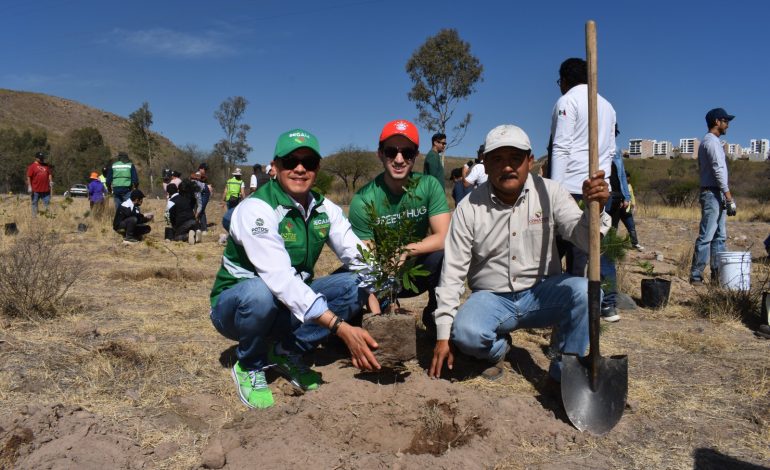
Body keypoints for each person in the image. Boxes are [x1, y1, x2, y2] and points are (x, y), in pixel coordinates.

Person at [209, 128, 381, 409]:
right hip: (235, 310)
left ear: (317, 169)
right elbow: (279, 280)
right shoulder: (257, 209)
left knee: (355, 284)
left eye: (308, 162)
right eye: (290, 162)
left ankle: (286, 351)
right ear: (275, 168)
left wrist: (374, 291)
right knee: (259, 292)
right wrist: (340, 327)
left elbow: (357, 255)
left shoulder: (326, 210)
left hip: (284, 307)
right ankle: (249, 364)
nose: (300, 169)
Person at [429, 124, 611, 386]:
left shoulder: (551, 192)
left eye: (516, 159)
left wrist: (596, 208)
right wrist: (443, 335)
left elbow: (583, 238)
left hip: (542, 293)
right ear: (486, 163)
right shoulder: (468, 207)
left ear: (530, 161)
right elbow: (453, 273)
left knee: (588, 293)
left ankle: (565, 371)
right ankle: (499, 349)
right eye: (498, 160)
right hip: (491, 297)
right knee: (465, 333)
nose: (507, 167)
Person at [348, 119, 451, 333]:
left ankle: (437, 321)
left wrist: (404, 250)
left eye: (407, 152)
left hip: (415, 272)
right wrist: (385, 294)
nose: (399, 159)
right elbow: (366, 256)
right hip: (380, 273)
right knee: (345, 281)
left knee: (445, 256)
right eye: (391, 151)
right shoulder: (363, 199)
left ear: (416, 155)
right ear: (380, 154)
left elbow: (443, 236)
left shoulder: (429, 186)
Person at [548, 57, 619, 321]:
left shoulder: (567, 101)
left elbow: (561, 146)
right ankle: (597, 306)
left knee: (558, 253)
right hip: (599, 189)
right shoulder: (608, 106)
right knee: (589, 251)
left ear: (564, 80)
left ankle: (566, 307)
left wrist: (553, 190)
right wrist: (607, 187)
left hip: (571, 188)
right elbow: (610, 152)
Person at [690, 108, 736, 285]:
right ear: (717, 122)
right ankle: (696, 275)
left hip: (716, 193)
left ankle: (717, 276)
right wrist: (729, 197)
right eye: (725, 121)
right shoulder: (711, 142)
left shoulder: (713, 142)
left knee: (719, 236)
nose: (728, 125)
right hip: (713, 193)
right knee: (708, 236)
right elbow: (718, 170)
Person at [610, 169, 643, 251]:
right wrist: (620, 201)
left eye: (628, 178)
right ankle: (610, 244)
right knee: (613, 227)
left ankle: (635, 243)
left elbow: (631, 196)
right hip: (616, 209)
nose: (627, 179)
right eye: (626, 177)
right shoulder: (616, 185)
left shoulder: (629, 186)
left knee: (631, 227)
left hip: (626, 210)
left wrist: (634, 205)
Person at [169, 179, 201, 244]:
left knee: (175, 237)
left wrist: (173, 227)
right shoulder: (191, 199)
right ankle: (195, 232)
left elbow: (170, 216)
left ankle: (187, 236)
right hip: (194, 221)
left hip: (183, 223)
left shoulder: (173, 200)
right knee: (190, 230)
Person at [26, 151, 53, 216]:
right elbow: (29, 176)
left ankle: (48, 217)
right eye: (40, 158)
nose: (42, 159)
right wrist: (29, 186)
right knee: (34, 204)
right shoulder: (32, 166)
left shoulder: (46, 166)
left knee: (47, 204)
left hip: (45, 190)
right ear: (36, 158)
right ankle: (34, 218)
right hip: (35, 190)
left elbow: (49, 174)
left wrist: (50, 181)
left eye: (42, 158)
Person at [196, 163, 212, 232]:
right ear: (200, 168)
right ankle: (202, 227)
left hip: (204, 194)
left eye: (206, 169)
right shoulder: (197, 175)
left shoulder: (203, 176)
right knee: (201, 210)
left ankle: (203, 228)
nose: (205, 171)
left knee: (201, 210)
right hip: (201, 194)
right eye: (204, 169)